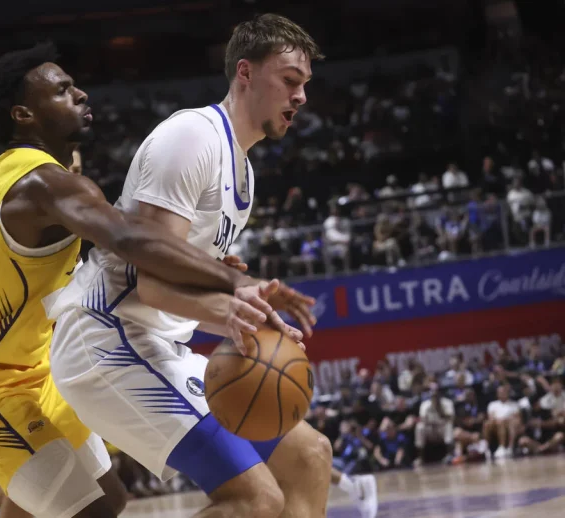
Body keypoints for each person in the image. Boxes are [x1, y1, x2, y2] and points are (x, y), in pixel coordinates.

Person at [0, 43, 300, 518]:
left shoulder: (24, 176)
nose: (80, 94)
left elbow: (124, 251)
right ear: (23, 114)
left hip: (33, 368)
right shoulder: (42, 184)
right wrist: (233, 283)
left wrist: (201, 260)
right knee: (88, 511)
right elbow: (129, 240)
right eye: (62, 90)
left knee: (108, 499)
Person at [46, 14, 377, 518]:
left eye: (305, 83)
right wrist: (231, 309)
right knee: (255, 499)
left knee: (310, 456)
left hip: (154, 341)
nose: (301, 96)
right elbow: (152, 286)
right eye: (290, 80)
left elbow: (179, 289)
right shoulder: (192, 137)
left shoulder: (241, 172)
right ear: (245, 72)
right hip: (106, 337)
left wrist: (245, 312)